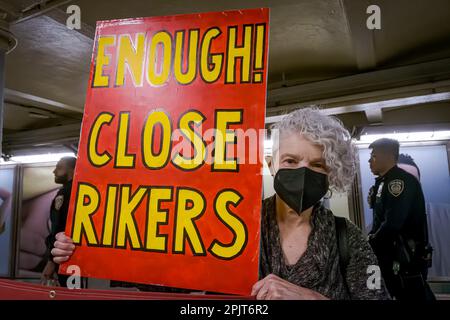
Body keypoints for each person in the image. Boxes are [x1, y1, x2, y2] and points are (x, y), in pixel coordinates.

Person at [51, 107, 389, 299]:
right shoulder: (231, 222)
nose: (302, 173)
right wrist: (90, 246)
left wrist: (313, 299)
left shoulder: (349, 240)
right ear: (271, 164)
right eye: (290, 160)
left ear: (331, 172)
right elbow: (161, 272)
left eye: (316, 165)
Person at [367, 139, 434, 300]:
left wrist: (369, 244)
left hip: (403, 257)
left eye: (374, 156)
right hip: (389, 255)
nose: (370, 161)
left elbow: (393, 223)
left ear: (388, 157)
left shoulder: (399, 182)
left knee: (410, 295)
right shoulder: (384, 182)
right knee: (377, 291)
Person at [40, 156, 77, 287]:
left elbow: (58, 228)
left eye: (59, 167)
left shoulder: (64, 193)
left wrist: (51, 261)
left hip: (63, 257)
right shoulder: (81, 190)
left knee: (67, 291)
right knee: (75, 291)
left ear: (72, 170)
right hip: (77, 257)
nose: (54, 171)